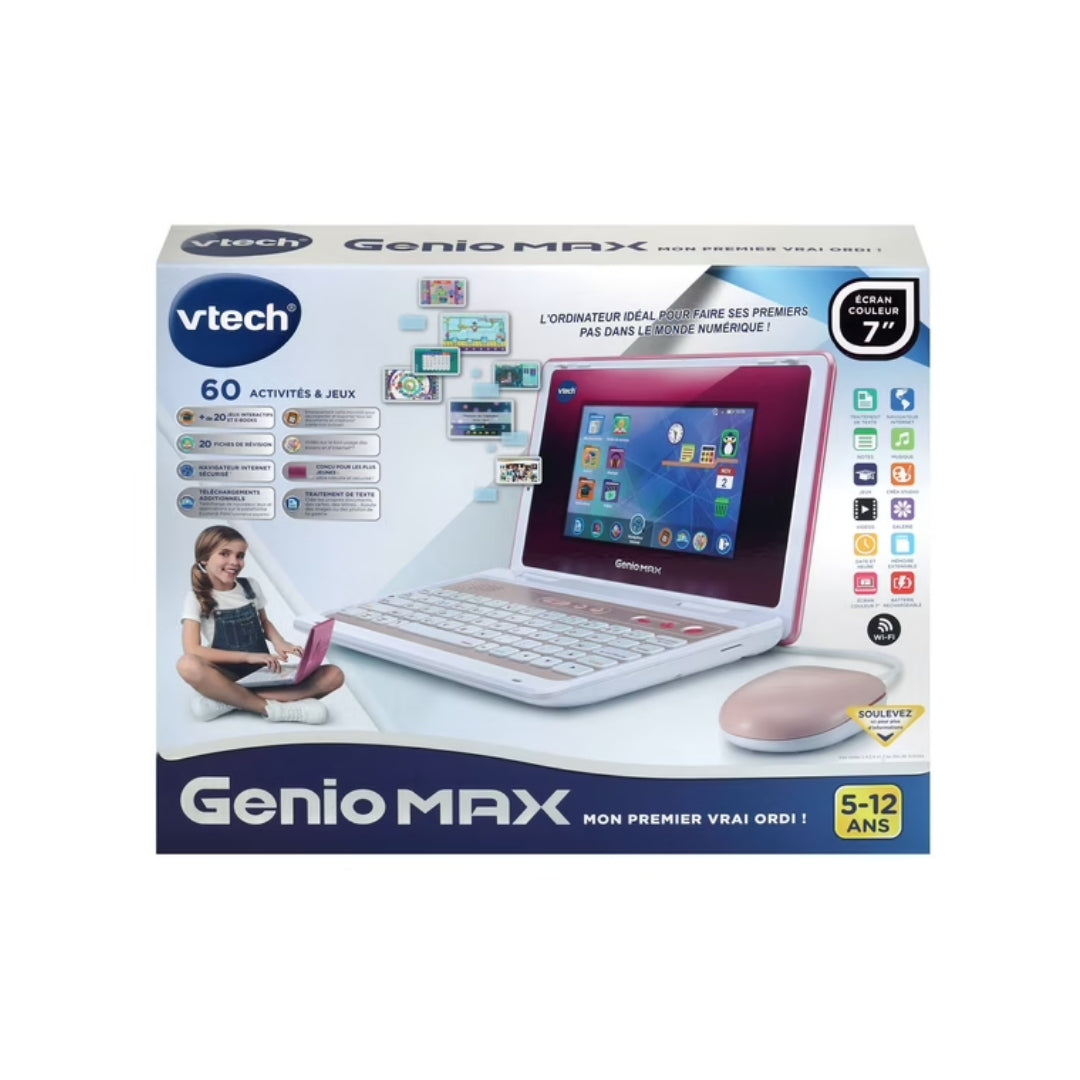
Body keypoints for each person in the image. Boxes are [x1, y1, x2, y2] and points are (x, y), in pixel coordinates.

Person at [177, 525, 344, 722]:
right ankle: (273, 710)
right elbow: (192, 649)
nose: (234, 562)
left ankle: (228, 699)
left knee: (334, 675)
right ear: (204, 558)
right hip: (226, 674)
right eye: (224, 554)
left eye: (240, 555)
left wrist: (280, 642)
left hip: (262, 672)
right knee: (187, 664)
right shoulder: (196, 597)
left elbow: (263, 621)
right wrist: (247, 657)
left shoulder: (250, 586)